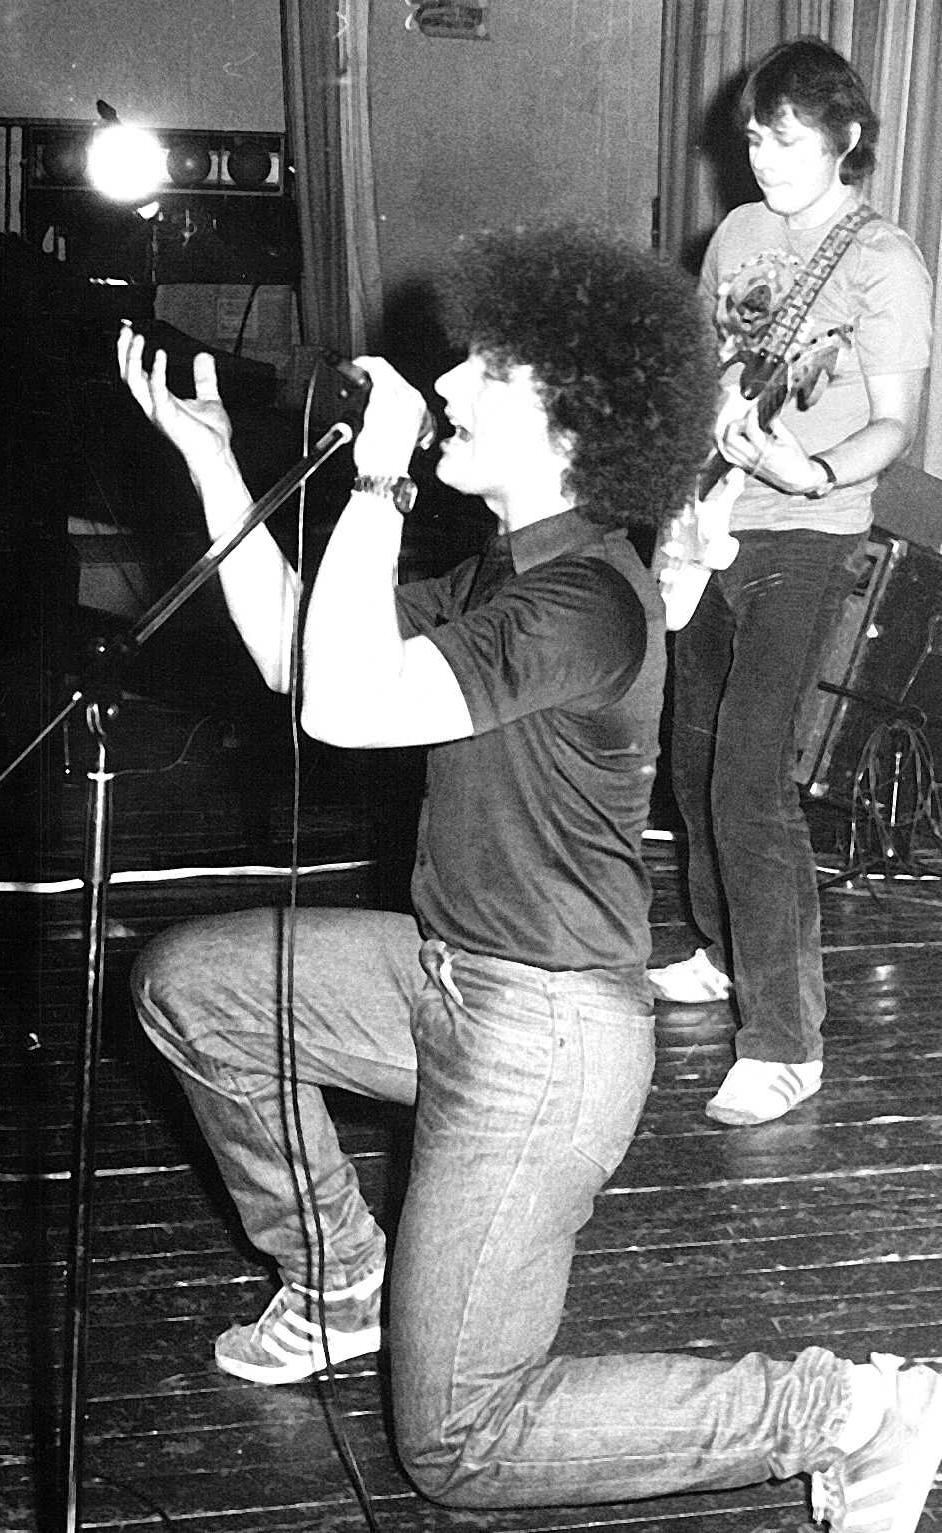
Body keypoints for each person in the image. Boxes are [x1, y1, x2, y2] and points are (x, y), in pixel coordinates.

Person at [118, 222, 941, 1528]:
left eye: (485, 372)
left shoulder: (587, 603)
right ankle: (335, 1281)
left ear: (569, 420)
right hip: (445, 977)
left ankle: (848, 1411)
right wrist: (215, 465)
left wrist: (377, 486)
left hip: (544, 1040)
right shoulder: (504, 571)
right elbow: (294, 654)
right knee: (197, 985)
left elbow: (345, 705)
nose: (446, 383)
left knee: (459, 1443)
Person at [649, 37, 933, 1127]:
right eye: (754, 139)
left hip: (807, 534)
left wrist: (807, 469)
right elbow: (706, 373)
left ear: (845, 139)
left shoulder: (883, 260)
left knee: (749, 782)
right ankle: (726, 950)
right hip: (711, 521)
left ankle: (783, 1043)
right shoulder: (734, 234)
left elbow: (893, 424)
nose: (763, 159)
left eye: (787, 140)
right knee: (691, 764)